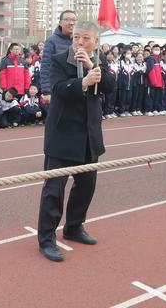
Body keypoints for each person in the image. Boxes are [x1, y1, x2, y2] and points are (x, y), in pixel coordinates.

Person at [37, 20, 115, 262]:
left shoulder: (100, 61)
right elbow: (58, 89)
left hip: (89, 135)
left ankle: (74, 227)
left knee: (86, 186)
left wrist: (92, 67)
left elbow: (111, 87)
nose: (79, 42)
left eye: (85, 39)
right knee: (54, 189)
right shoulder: (60, 60)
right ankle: (47, 238)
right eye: (76, 38)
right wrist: (82, 82)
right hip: (63, 134)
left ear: (96, 42)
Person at [40, 10, 77, 102]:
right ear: (60, 23)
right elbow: (45, 67)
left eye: (73, 20)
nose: (71, 23)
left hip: (77, 88)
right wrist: (46, 91)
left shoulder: (79, 41)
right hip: (58, 88)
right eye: (67, 20)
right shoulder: (51, 41)